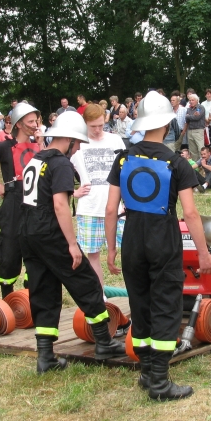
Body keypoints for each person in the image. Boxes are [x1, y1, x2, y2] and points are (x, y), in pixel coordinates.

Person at [106, 90, 211, 400]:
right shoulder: (176, 163)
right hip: (163, 238)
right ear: (168, 124)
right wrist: (203, 252)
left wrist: (111, 248)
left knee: (140, 304)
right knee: (166, 305)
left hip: (132, 237)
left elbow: (110, 209)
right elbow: (190, 213)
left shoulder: (123, 158)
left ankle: (146, 372)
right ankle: (160, 382)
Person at [20, 111, 125, 373]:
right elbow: (60, 205)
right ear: (68, 139)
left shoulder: (36, 159)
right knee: (86, 282)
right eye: (77, 143)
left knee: (44, 291)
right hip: (51, 234)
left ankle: (46, 357)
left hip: (29, 234)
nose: (78, 148)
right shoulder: (60, 163)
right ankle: (104, 342)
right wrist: (71, 244)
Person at [0, 103, 42, 299]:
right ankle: (7, 296)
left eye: (36, 121)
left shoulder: (39, 144)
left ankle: (31, 295)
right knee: (10, 249)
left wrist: (41, 143)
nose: (35, 125)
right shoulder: (4, 146)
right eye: (30, 121)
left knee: (35, 248)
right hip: (13, 201)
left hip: (35, 202)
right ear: (18, 124)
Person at [70, 103, 128, 289]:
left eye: (100, 125)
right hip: (89, 207)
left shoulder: (115, 140)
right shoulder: (77, 144)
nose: (97, 130)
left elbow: (126, 170)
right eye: (92, 126)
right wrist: (73, 192)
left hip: (117, 207)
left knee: (128, 251)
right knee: (93, 254)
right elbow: (58, 171)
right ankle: (99, 295)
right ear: (85, 123)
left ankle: (134, 293)